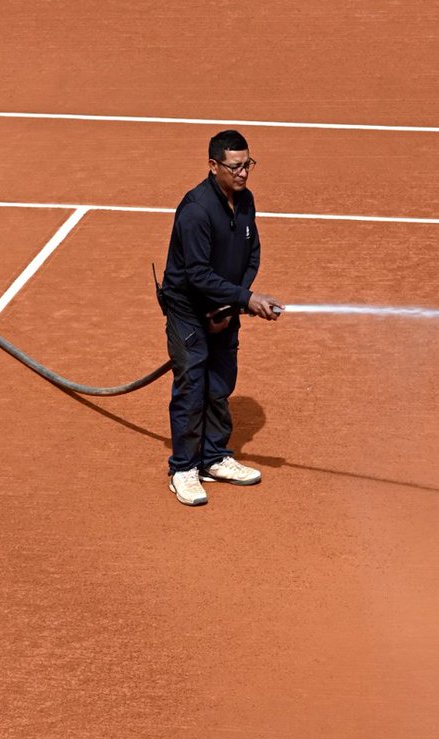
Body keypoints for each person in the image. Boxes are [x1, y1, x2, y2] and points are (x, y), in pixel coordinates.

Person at [157, 129, 281, 506]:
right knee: (192, 387)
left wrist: (233, 305)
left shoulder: (246, 202)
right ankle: (183, 468)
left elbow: (252, 254)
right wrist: (244, 298)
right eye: (236, 166)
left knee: (220, 382)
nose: (243, 173)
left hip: (224, 307)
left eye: (248, 165)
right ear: (214, 166)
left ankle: (213, 457)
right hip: (189, 311)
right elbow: (196, 274)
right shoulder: (195, 211)